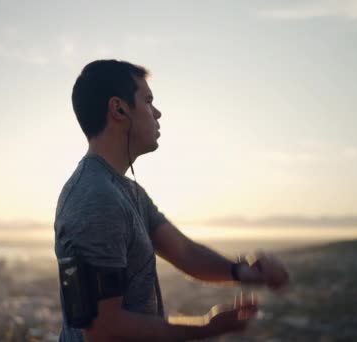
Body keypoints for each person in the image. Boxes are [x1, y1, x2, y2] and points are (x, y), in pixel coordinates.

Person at [54, 59, 289, 341]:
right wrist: (207, 328)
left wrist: (243, 271)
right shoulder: (94, 198)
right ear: (119, 109)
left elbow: (185, 253)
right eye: (148, 101)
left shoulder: (128, 192)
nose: (158, 113)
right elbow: (104, 330)